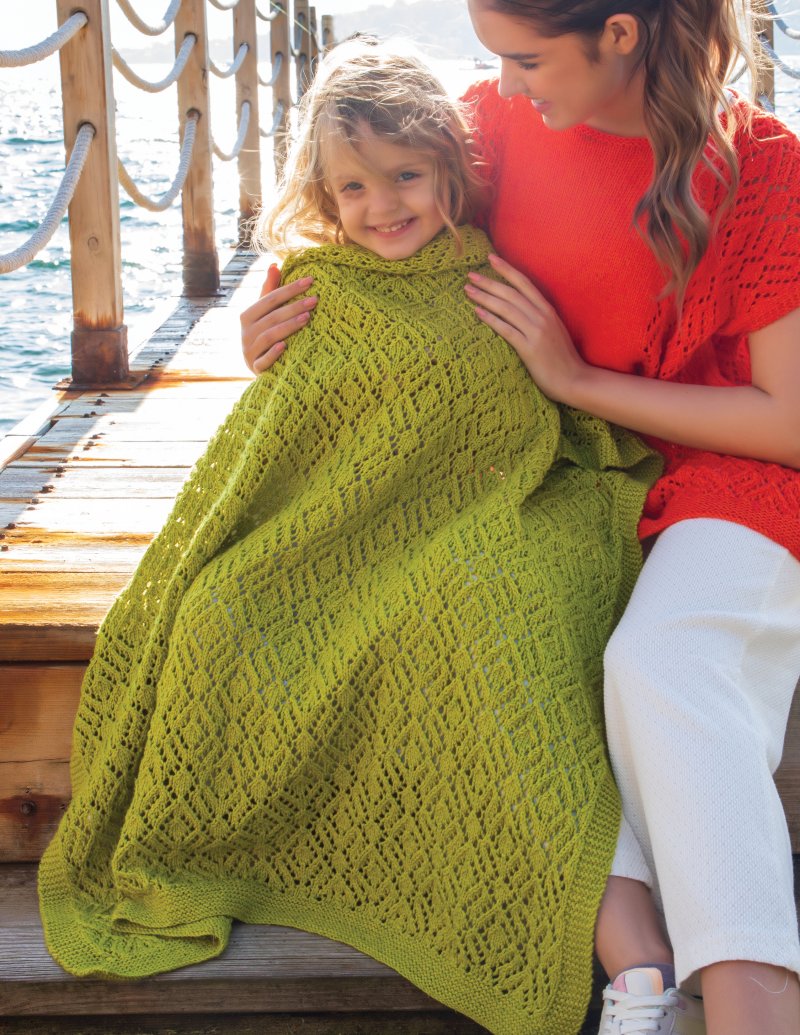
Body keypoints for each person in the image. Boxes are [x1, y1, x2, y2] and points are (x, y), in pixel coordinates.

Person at [38, 38, 659, 1035]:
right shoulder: (317, 289)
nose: (383, 206)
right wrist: (264, 370)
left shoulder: (490, 277)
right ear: (325, 193)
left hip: (488, 513)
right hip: (328, 531)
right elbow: (273, 447)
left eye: (407, 176)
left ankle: (635, 964)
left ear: (450, 166)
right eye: (354, 187)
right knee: (216, 614)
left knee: (483, 627)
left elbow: (512, 416)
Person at [240, 6, 800, 1035]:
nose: (497, 80)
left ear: (619, 33)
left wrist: (574, 378)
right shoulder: (498, 126)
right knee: (483, 622)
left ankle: (750, 1009)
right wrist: (280, 315)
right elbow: (377, 226)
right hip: (558, 470)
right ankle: (640, 979)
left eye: (524, 57)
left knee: (662, 662)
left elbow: (788, 423)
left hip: (731, 479)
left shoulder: (763, 168)